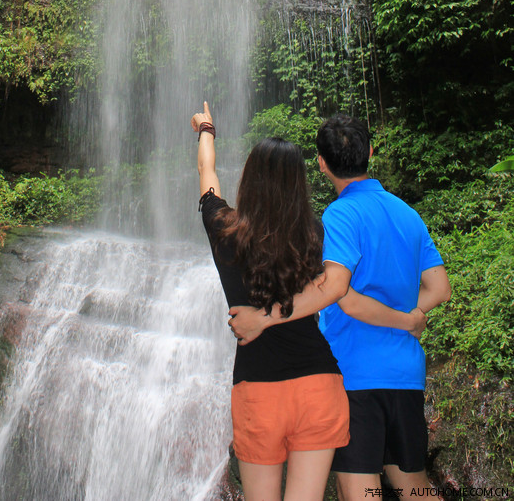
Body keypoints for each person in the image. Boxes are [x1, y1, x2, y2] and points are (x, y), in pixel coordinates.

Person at [229, 114, 452, 501]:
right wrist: (410, 317)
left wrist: (264, 319)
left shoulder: (338, 216)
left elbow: (339, 294)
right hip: (406, 373)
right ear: (370, 151)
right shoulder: (408, 214)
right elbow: (440, 288)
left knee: (359, 489)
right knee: (414, 485)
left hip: (357, 374)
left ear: (321, 163)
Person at [192, 100, 352, 501]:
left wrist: (206, 129)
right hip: (318, 383)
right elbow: (330, 287)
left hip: (259, 390)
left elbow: (206, 172)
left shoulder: (226, 229)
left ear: (250, 178)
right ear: (298, 182)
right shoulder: (315, 234)